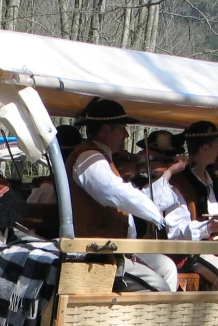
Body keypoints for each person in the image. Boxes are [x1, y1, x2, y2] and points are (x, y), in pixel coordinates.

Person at [65, 99, 178, 292]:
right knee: (158, 287)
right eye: (122, 128)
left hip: (116, 248)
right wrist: (155, 214)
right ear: (106, 130)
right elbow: (113, 190)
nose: (126, 134)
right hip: (97, 253)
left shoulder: (101, 156)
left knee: (167, 267)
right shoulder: (88, 157)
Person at [148, 121, 218, 291]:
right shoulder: (180, 183)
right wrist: (208, 227)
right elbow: (175, 231)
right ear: (205, 149)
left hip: (217, 249)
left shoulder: (213, 180)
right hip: (191, 252)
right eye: (216, 146)